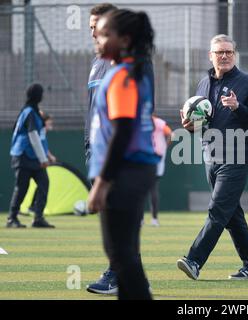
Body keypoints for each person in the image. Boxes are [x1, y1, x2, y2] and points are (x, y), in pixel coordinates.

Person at [177, 34, 248, 280]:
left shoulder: (247, 82)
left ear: (234, 55)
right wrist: (190, 126)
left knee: (217, 209)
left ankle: (194, 260)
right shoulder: (203, 83)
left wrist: (238, 108)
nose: (224, 56)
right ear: (211, 55)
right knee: (231, 213)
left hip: (237, 156)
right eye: (219, 52)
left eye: (228, 52)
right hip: (210, 154)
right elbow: (202, 123)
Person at [87, 8, 159, 300]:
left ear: (125, 39)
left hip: (125, 170)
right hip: (134, 169)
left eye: (105, 34)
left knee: (120, 255)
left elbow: (122, 132)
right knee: (123, 255)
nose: (97, 39)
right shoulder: (129, 69)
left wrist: (102, 184)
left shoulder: (122, 75)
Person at [85, 3, 119, 295]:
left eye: (96, 23)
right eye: (90, 24)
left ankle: (116, 273)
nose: (91, 29)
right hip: (94, 148)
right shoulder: (97, 60)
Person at [7, 83, 55, 229]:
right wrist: (43, 159)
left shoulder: (32, 111)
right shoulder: (29, 112)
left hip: (32, 156)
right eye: (40, 93)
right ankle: (12, 218)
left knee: (43, 183)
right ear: (36, 96)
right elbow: (33, 136)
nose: (42, 96)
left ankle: (38, 218)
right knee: (22, 187)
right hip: (23, 155)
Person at [28, 111, 57, 215]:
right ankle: (29, 208)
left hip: (40, 160)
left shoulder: (43, 132)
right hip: (36, 161)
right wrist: (44, 158)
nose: (51, 124)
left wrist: (49, 156)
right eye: (49, 122)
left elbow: (43, 146)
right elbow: (37, 144)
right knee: (26, 185)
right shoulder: (39, 130)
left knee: (42, 184)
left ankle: (33, 208)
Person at [147, 116, 172, 227]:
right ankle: (154, 219)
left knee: (142, 188)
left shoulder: (140, 119)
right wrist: (164, 147)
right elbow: (171, 134)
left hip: (144, 154)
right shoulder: (159, 122)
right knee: (152, 188)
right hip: (157, 155)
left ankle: (142, 219)